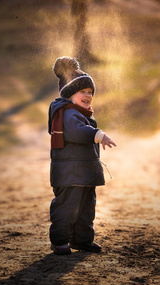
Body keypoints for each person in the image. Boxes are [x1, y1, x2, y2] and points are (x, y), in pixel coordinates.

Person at [47, 56, 116, 255]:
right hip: (70, 173)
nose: (87, 95)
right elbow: (76, 132)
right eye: (82, 91)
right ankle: (60, 241)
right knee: (66, 208)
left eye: (90, 92)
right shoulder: (68, 113)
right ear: (69, 94)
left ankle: (82, 240)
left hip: (83, 173)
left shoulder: (80, 113)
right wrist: (98, 134)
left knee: (86, 210)